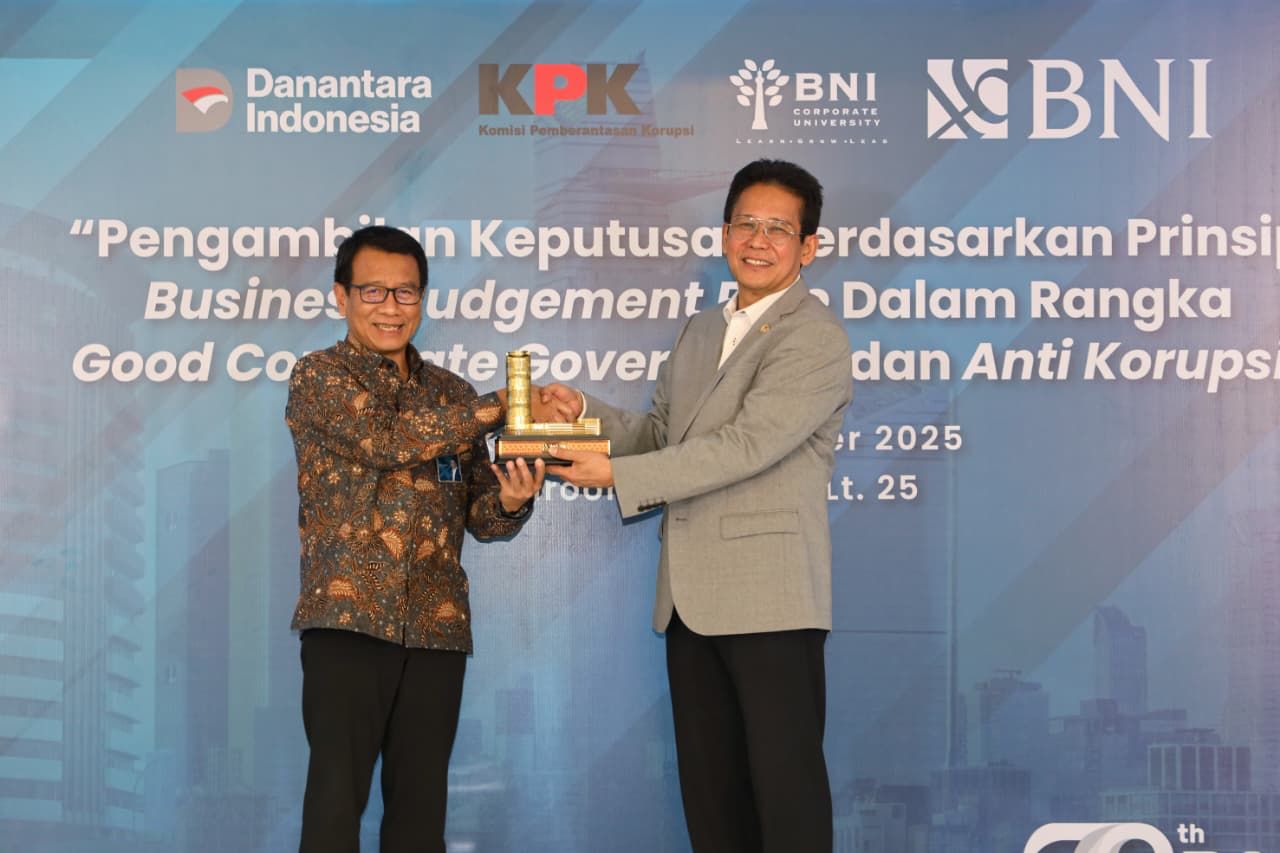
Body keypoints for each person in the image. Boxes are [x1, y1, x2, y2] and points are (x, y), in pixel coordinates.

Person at [544, 160, 852, 853]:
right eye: (747, 223)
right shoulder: (701, 331)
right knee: (713, 806)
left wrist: (615, 477)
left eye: (779, 228)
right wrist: (583, 412)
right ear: (724, 233)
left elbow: (746, 446)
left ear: (808, 247)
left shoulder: (814, 337)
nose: (758, 240)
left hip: (771, 603)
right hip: (690, 602)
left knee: (787, 804)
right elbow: (662, 435)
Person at [285, 225, 556, 852]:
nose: (391, 307)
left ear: (423, 299)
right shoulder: (319, 377)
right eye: (373, 291)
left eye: (405, 292)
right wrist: (507, 402)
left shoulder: (451, 393)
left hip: (437, 629)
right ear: (341, 296)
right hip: (348, 624)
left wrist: (512, 500)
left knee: (420, 815)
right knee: (333, 811)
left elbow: (481, 515)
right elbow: (388, 441)